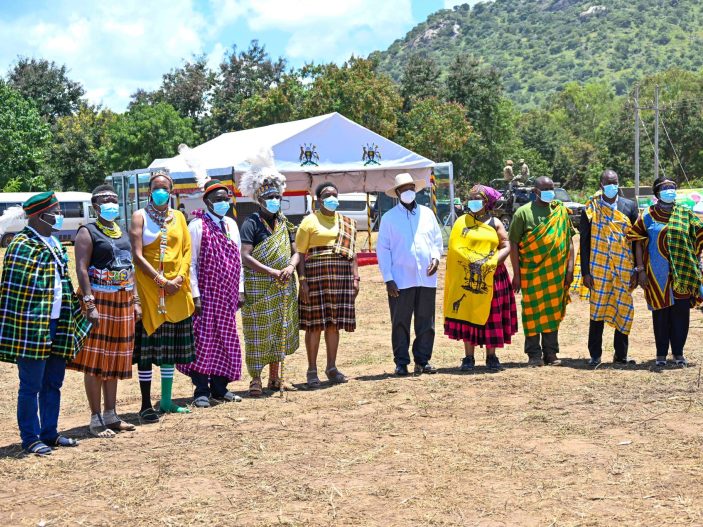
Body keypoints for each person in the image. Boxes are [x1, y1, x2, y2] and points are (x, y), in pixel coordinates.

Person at [0, 192, 90, 456]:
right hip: (32, 325)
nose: (60, 215)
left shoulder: (53, 242)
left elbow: (61, 281)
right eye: (57, 210)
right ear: (41, 215)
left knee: (54, 382)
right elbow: (16, 290)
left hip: (58, 321)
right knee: (31, 384)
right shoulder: (21, 245)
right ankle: (30, 437)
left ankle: (49, 433)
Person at [68, 185, 140, 437]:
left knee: (116, 358)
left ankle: (111, 414)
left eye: (114, 200)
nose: (112, 204)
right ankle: (95, 417)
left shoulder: (123, 232)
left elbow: (131, 267)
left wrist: (136, 300)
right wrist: (89, 303)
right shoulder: (87, 232)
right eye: (106, 201)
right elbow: (81, 268)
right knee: (96, 360)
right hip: (98, 300)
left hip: (122, 300)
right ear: (96, 207)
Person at [130, 171, 195, 422]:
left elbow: (187, 251)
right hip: (149, 291)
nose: (161, 191)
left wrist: (178, 279)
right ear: (149, 190)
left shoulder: (178, 217)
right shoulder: (140, 217)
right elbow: (137, 255)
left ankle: (167, 401)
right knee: (147, 351)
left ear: (171, 191)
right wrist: (160, 281)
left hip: (176, 291)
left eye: (165, 188)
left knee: (169, 348)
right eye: (156, 187)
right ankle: (146, 404)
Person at [177, 180, 244, 407]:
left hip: (228, 295)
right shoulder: (197, 225)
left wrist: (240, 290)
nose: (223, 203)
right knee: (204, 342)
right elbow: (191, 263)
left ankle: (220, 388)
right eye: (218, 200)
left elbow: (238, 260)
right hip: (206, 295)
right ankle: (201, 391)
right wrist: (195, 295)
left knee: (226, 339)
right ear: (207, 202)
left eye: (226, 198)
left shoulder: (231, 225)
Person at [239, 149, 300, 396]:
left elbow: (297, 251)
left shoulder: (285, 222)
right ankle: (255, 379)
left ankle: (275, 378)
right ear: (260, 200)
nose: (274, 201)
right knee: (258, 332)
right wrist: (271, 272)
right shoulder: (251, 223)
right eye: (269, 197)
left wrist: (290, 267)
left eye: (277, 196)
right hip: (259, 286)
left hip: (284, 283)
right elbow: (245, 255)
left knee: (279, 328)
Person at [627, 177, 703, 366]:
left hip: (683, 273)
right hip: (655, 273)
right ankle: (661, 354)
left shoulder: (685, 213)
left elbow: (699, 235)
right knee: (660, 314)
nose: (670, 191)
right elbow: (637, 241)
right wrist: (640, 269)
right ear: (657, 193)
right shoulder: (648, 215)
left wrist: (696, 261)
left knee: (681, 314)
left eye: (673, 188)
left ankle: (678, 353)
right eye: (666, 188)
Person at [444, 185, 517, 372]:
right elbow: (455, 248)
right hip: (467, 277)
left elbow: (506, 245)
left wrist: (491, 263)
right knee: (468, 313)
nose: (473, 202)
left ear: (487, 202)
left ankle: (491, 357)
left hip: (493, 276)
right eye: (471, 198)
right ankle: (468, 357)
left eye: (478, 198)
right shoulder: (462, 222)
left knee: (492, 316)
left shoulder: (495, 223)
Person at [377, 173, 444, 376]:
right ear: (397, 193)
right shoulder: (389, 218)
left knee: (426, 321)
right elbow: (383, 250)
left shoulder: (427, 214)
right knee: (400, 322)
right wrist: (388, 278)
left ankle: (423, 360)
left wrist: (436, 258)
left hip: (426, 277)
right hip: (400, 279)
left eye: (411, 188)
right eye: (404, 189)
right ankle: (401, 362)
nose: (408, 192)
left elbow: (436, 241)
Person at [296, 182, 359, 388]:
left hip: (340, 278)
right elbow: (299, 254)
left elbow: (352, 254)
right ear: (318, 199)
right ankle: (312, 370)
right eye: (327, 195)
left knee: (333, 324)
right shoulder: (309, 221)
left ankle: (331, 367)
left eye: (335, 194)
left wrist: (355, 278)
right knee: (314, 326)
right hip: (315, 278)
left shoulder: (346, 222)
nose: (332, 198)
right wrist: (302, 280)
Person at [508, 176, 575, 366]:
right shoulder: (523, 213)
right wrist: (517, 274)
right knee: (532, 312)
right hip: (530, 274)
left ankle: (551, 353)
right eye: (545, 189)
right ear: (535, 191)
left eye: (551, 188)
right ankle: (534, 354)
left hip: (556, 274)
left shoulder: (560, 212)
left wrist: (569, 269)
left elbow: (569, 240)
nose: (549, 192)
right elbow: (513, 243)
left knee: (552, 312)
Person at [579, 170, 639, 366]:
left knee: (624, 308)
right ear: (601, 184)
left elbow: (636, 240)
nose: (612, 185)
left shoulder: (629, 206)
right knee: (597, 311)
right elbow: (584, 242)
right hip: (598, 268)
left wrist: (637, 270)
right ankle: (595, 355)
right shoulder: (590, 208)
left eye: (615, 182)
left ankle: (621, 355)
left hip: (624, 268)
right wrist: (585, 272)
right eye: (608, 182)